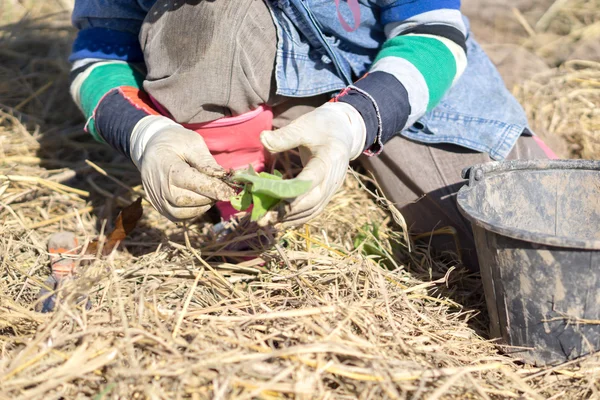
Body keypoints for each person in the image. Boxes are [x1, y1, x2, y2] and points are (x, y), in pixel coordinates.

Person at [68, 0, 555, 265]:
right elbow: (101, 56)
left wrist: (351, 122)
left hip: (382, 75)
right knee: (194, 19)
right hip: (246, 72)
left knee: (521, 243)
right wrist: (145, 135)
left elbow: (432, 29)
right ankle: (236, 194)